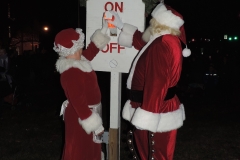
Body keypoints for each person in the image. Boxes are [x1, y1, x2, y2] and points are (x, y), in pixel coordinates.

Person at [108, 2, 190, 160]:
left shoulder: (163, 44)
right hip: (156, 107)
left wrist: (147, 116)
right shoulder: (163, 40)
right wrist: (120, 25)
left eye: (152, 19)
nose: (149, 21)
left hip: (156, 109)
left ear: (159, 22)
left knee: (155, 155)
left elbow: (157, 84)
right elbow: (143, 42)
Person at [53, 17, 110, 160]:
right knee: (80, 151)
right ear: (68, 51)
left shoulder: (78, 60)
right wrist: (95, 125)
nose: (80, 50)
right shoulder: (70, 72)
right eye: (78, 48)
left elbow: (91, 51)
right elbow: (78, 101)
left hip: (89, 114)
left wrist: (103, 31)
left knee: (91, 149)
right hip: (81, 118)